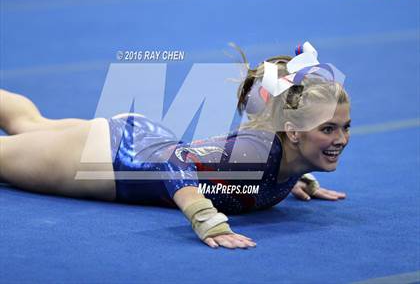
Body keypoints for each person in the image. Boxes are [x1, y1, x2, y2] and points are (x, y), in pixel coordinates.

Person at [0, 43, 350, 250]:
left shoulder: (284, 159)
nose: (341, 140)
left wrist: (297, 175)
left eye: (345, 127)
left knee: (30, 125)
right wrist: (204, 217)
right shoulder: (254, 153)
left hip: (130, 140)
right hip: (108, 162)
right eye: (328, 129)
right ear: (293, 132)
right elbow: (175, 159)